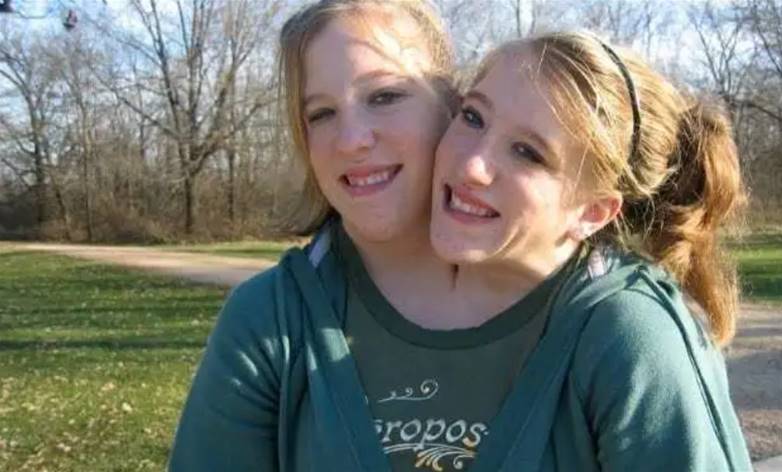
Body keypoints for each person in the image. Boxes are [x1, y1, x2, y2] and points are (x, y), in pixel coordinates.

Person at [170, 2, 752, 471]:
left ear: (445, 101)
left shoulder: (625, 330)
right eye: (320, 113)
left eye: (385, 96)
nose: (350, 139)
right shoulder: (272, 319)